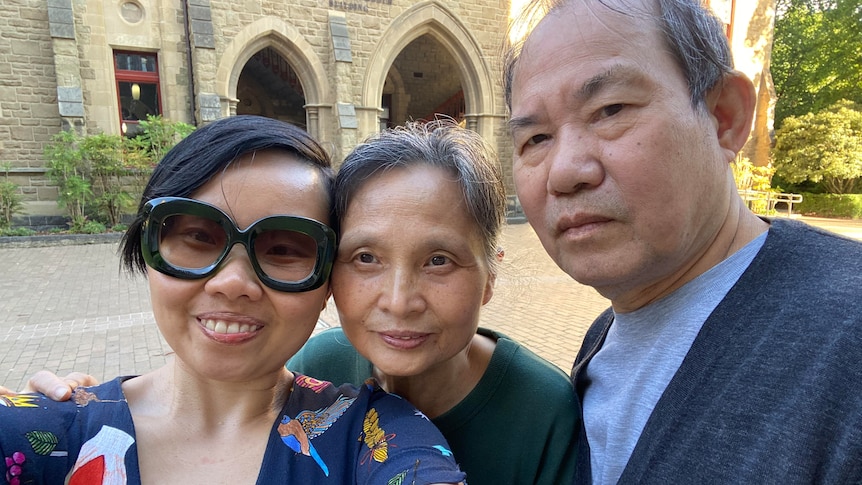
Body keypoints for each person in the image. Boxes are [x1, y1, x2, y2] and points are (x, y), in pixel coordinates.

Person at [7, 120, 578, 484]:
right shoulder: (320, 364)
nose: (400, 301)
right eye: (198, 236)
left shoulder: (374, 428)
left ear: (490, 278)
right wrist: (57, 412)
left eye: (282, 248)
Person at [503, 0, 862, 483]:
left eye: (610, 109)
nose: (565, 171)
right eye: (537, 139)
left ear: (723, 117)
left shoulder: (846, 340)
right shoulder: (602, 341)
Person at [288, 119, 578, 484]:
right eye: (366, 257)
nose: (399, 302)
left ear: (490, 276)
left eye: (438, 261)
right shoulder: (315, 371)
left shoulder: (544, 412)